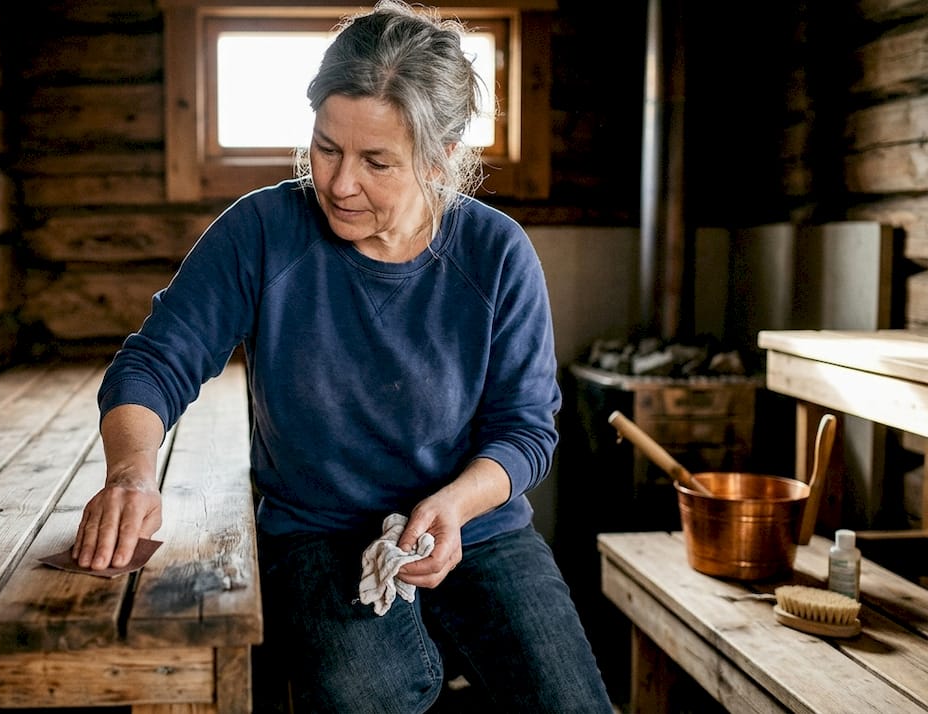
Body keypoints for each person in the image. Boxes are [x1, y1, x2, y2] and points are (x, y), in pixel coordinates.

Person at [72, 1, 613, 711]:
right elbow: (154, 363)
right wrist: (132, 475)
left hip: (475, 529)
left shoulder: (497, 253)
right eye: (327, 147)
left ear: (442, 158)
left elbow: (526, 430)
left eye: (376, 161)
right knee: (368, 695)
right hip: (317, 531)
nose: (338, 182)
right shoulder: (264, 231)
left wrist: (454, 506)